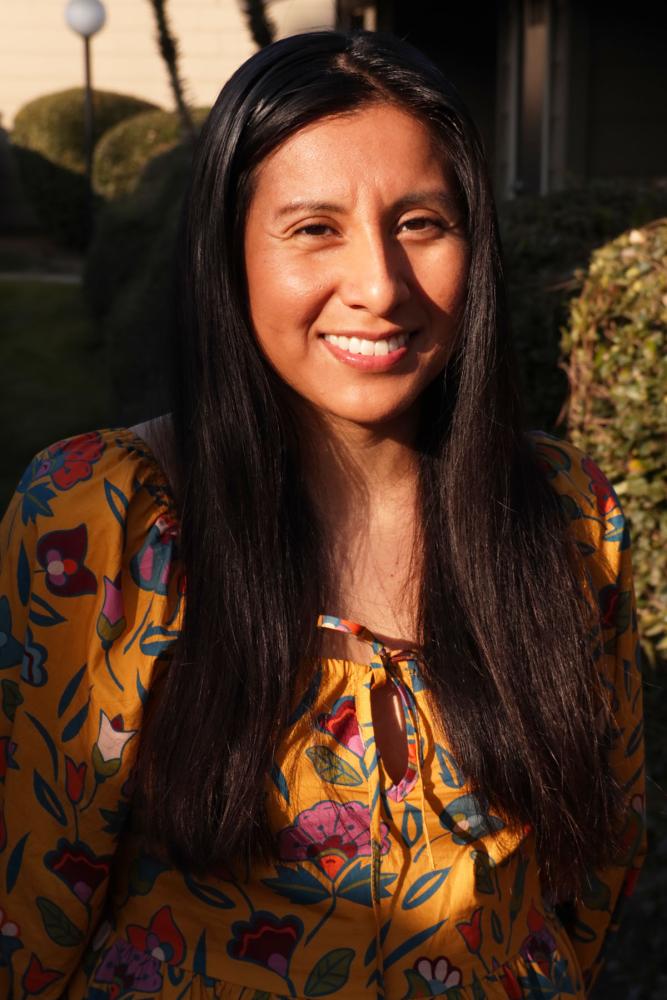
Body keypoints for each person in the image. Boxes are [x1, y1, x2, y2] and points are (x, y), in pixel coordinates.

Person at [0, 30, 645, 1000]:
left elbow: (594, 867)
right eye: (313, 228)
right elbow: (28, 920)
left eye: (421, 222)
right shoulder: (104, 521)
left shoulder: (563, 516)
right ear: (228, 255)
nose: (380, 286)